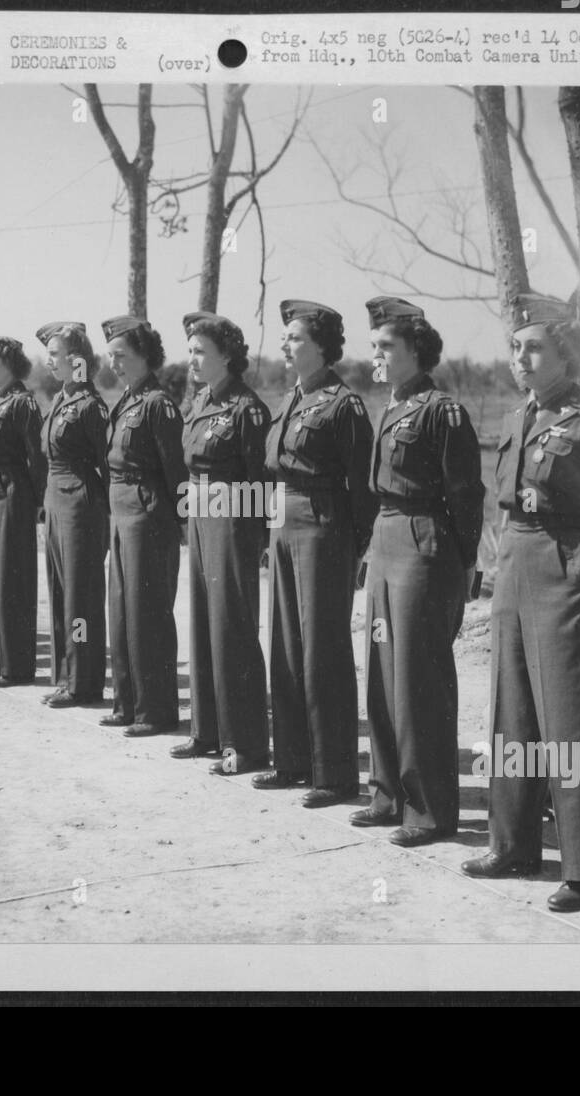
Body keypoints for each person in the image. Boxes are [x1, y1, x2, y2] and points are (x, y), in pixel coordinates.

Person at [462, 292, 580, 913]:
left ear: (568, 353)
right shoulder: (517, 419)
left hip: (572, 570)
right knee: (513, 713)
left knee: (569, 721)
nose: (521, 358)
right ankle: (511, 843)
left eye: (534, 347)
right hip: (516, 564)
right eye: (515, 347)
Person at [351, 297, 484, 846]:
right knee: (382, 673)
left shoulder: (441, 410)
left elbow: (466, 496)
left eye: (386, 346)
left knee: (417, 678)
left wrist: (464, 562)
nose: (376, 354)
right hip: (385, 539)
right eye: (375, 345)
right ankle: (388, 793)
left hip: (422, 542)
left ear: (416, 352)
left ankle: (428, 810)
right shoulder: (389, 405)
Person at [255, 299, 376, 807]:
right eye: (286, 337)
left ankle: (334, 773)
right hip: (283, 525)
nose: (286, 344)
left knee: (322, 649)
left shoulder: (342, 405)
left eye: (296, 337)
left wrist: (355, 549)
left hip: (323, 528)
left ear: (322, 347)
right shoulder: (289, 400)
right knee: (284, 643)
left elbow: (362, 490)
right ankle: (292, 760)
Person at [169, 311, 272, 775]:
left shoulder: (246, 409)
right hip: (200, 513)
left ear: (226, 356)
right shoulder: (200, 403)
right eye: (189, 350)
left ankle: (244, 745)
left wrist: (256, 540)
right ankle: (206, 732)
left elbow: (259, 480)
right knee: (204, 626)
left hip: (232, 516)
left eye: (200, 352)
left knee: (232, 630)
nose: (191, 359)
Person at [99, 315, 187, 736]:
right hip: (122, 510)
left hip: (148, 512)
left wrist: (177, 524)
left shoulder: (158, 403)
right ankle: (128, 702)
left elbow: (176, 472)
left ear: (145, 356)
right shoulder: (127, 399)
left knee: (147, 612)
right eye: (111, 356)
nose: (114, 363)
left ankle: (155, 710)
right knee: (120, 609)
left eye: (122, 355)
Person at [37, 321, 110, 708]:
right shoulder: (61, 399)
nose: (49, 361)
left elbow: (108, 466)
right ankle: (67, 676)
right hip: (56, 499)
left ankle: (84, 682)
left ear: (76, 359)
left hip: (80, 503)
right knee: (62, 592)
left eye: (54, 354)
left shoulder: (90, 406)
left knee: (81, 596)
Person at [0, 335, 48, 687]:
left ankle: (15, 666)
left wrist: (36, 504)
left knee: (9, 578)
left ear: (10, 367)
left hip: (9, 492)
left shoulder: (22, 403)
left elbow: (36, 457)